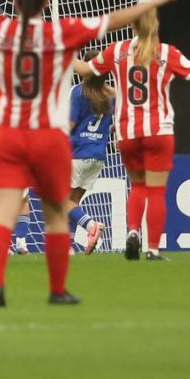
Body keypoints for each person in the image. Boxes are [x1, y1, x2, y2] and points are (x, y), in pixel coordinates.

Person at [0, 0, 178, 307]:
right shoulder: (62, 32)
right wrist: (156, 1)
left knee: (2, 213)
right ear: (46, 2)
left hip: (9, 136)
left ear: (15, 3)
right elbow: (114, 19)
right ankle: (57, 290)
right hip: (49, 137)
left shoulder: (2, 28)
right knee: (56, 214)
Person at [75, 4, 190, 262]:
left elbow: (84, 71)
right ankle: (152, 248)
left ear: (131, 25)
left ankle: (131, 232)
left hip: (127, 131)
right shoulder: (166, 53)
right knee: (156, 191)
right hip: (158, 130)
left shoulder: (116, 51)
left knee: (137, 186)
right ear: (156, 25)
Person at [64, 71, 113, 253]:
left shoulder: (78, 91)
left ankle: (92, 226)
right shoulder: (109, 94)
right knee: (72, 203)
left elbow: (69, 124)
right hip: (98, 156)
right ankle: (67, 247)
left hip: (77, 153)